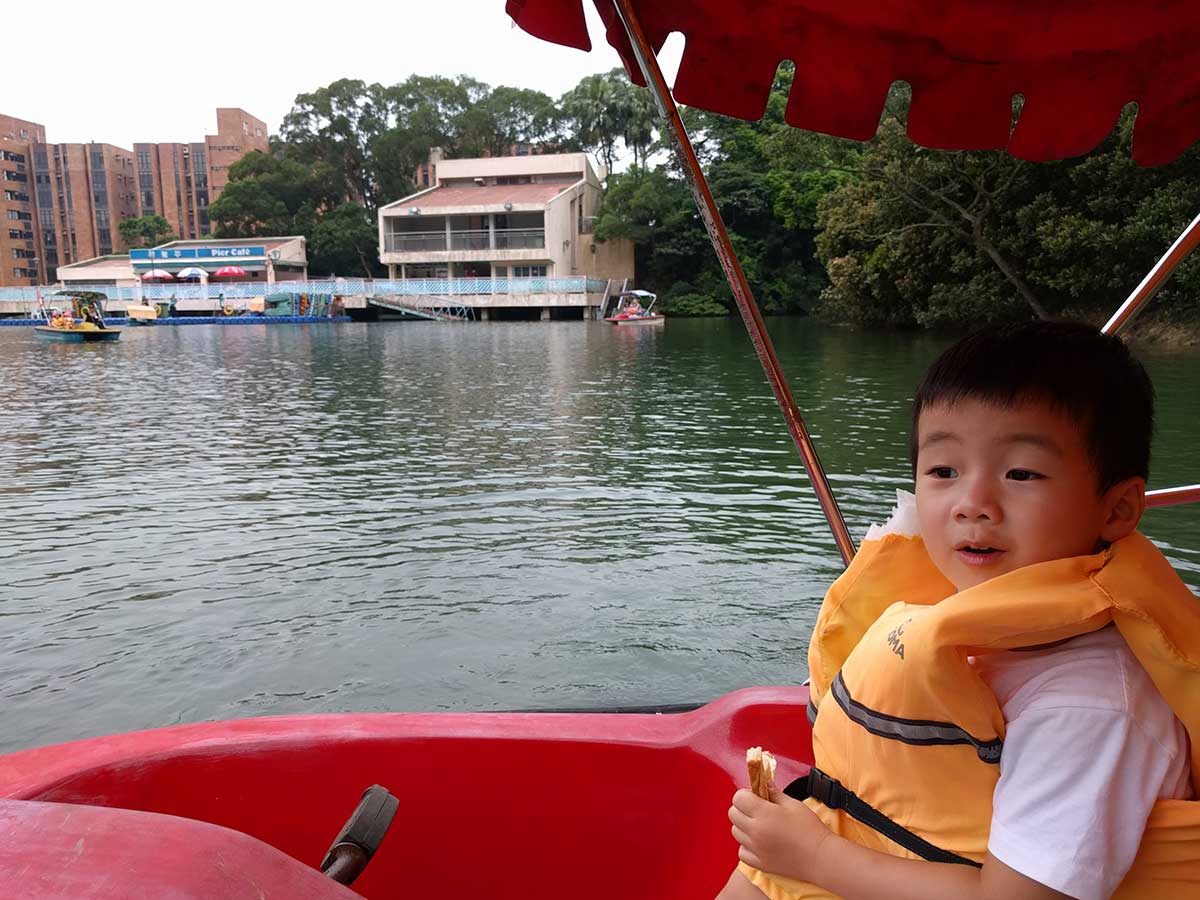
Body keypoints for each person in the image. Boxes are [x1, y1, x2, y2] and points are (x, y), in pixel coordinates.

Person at [719, 321, 1197, 900]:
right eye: (944, 471)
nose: (973, 504)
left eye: (1021, 473)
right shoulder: (955, 613)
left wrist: (816, 855)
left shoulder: (1091, 705)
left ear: (1116, 509)